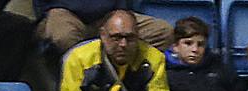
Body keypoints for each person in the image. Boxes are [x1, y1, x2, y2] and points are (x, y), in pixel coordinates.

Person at [37, 0, 173, 57]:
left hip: (109, 14)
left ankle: (124, 80)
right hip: (65, 12)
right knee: (63, 37)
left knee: (163, 32)